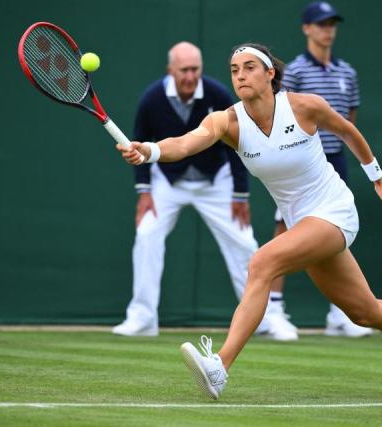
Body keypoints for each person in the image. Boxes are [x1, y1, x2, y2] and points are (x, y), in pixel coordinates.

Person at [117, 43, 382, 400]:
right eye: (234, 69)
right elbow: (183, 144)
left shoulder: (305, 106)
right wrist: (148, 151)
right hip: (302, 223)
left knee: (261, 263)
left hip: (334, 212)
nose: (240, 75)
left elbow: (348, 131)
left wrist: (376, 176)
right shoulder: (226, 121)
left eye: (249, 67)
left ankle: (220, 367)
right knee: (365, 311)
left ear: (270, 73)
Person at [111, 42, 277, 338]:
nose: (190, 76)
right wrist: (144, 192)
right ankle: (142, 319)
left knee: (243, 242)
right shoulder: (152, 98)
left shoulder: (216, 94)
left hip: (216, 181)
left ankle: (264, 320)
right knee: (147, 234)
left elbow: (240, 145)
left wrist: (240, 195)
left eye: (195, 70)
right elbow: (140, 141)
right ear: (170, 71)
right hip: (167, 182)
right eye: (184, 70)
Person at [264, 1, 372, 339]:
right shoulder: (294, 71)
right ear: (307, 29)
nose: (328, 30)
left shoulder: (347, 73)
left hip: (335, 161)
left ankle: (340, 313)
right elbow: (283, 115)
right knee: (285, 228)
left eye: (331, 24)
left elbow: (347, 122)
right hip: (298, 163)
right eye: (321, 24)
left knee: (336, 230)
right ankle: (276, 309)